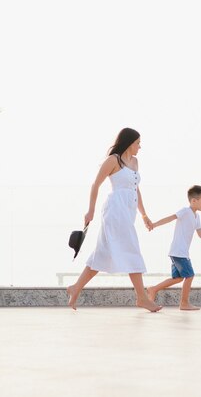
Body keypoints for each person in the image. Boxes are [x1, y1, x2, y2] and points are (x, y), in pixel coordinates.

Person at [66, 128, 162, 312]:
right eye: (137, 143)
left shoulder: (135, 162)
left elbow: (136, 189)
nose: (140, 147)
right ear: (129, 142)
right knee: (132, 249)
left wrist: (144, 214)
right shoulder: (113, 160)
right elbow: (96, 184)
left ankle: (75, 288)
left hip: (129, 211)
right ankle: (142, 297)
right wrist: (90, 210)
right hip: (115, 211)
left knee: (102, 254)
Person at [147, 185, 201, 310]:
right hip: (178, 252)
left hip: (180, 252)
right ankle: (184, 303)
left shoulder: (197, 217)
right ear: (193, 201)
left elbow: (200, 233)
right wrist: (154, 224)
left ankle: (153, 289)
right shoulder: (185, 211)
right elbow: (171, 218)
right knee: (190, 275)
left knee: (178, 278)